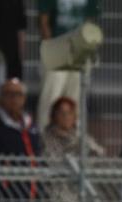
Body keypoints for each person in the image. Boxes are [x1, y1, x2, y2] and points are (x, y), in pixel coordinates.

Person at [36, 0, 100, 131]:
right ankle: (44, 140)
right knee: (51, 97)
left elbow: (89, 21)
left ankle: (75, 142)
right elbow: (43, 22)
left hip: (79, 52)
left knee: (76, 100)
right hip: (56, 50)